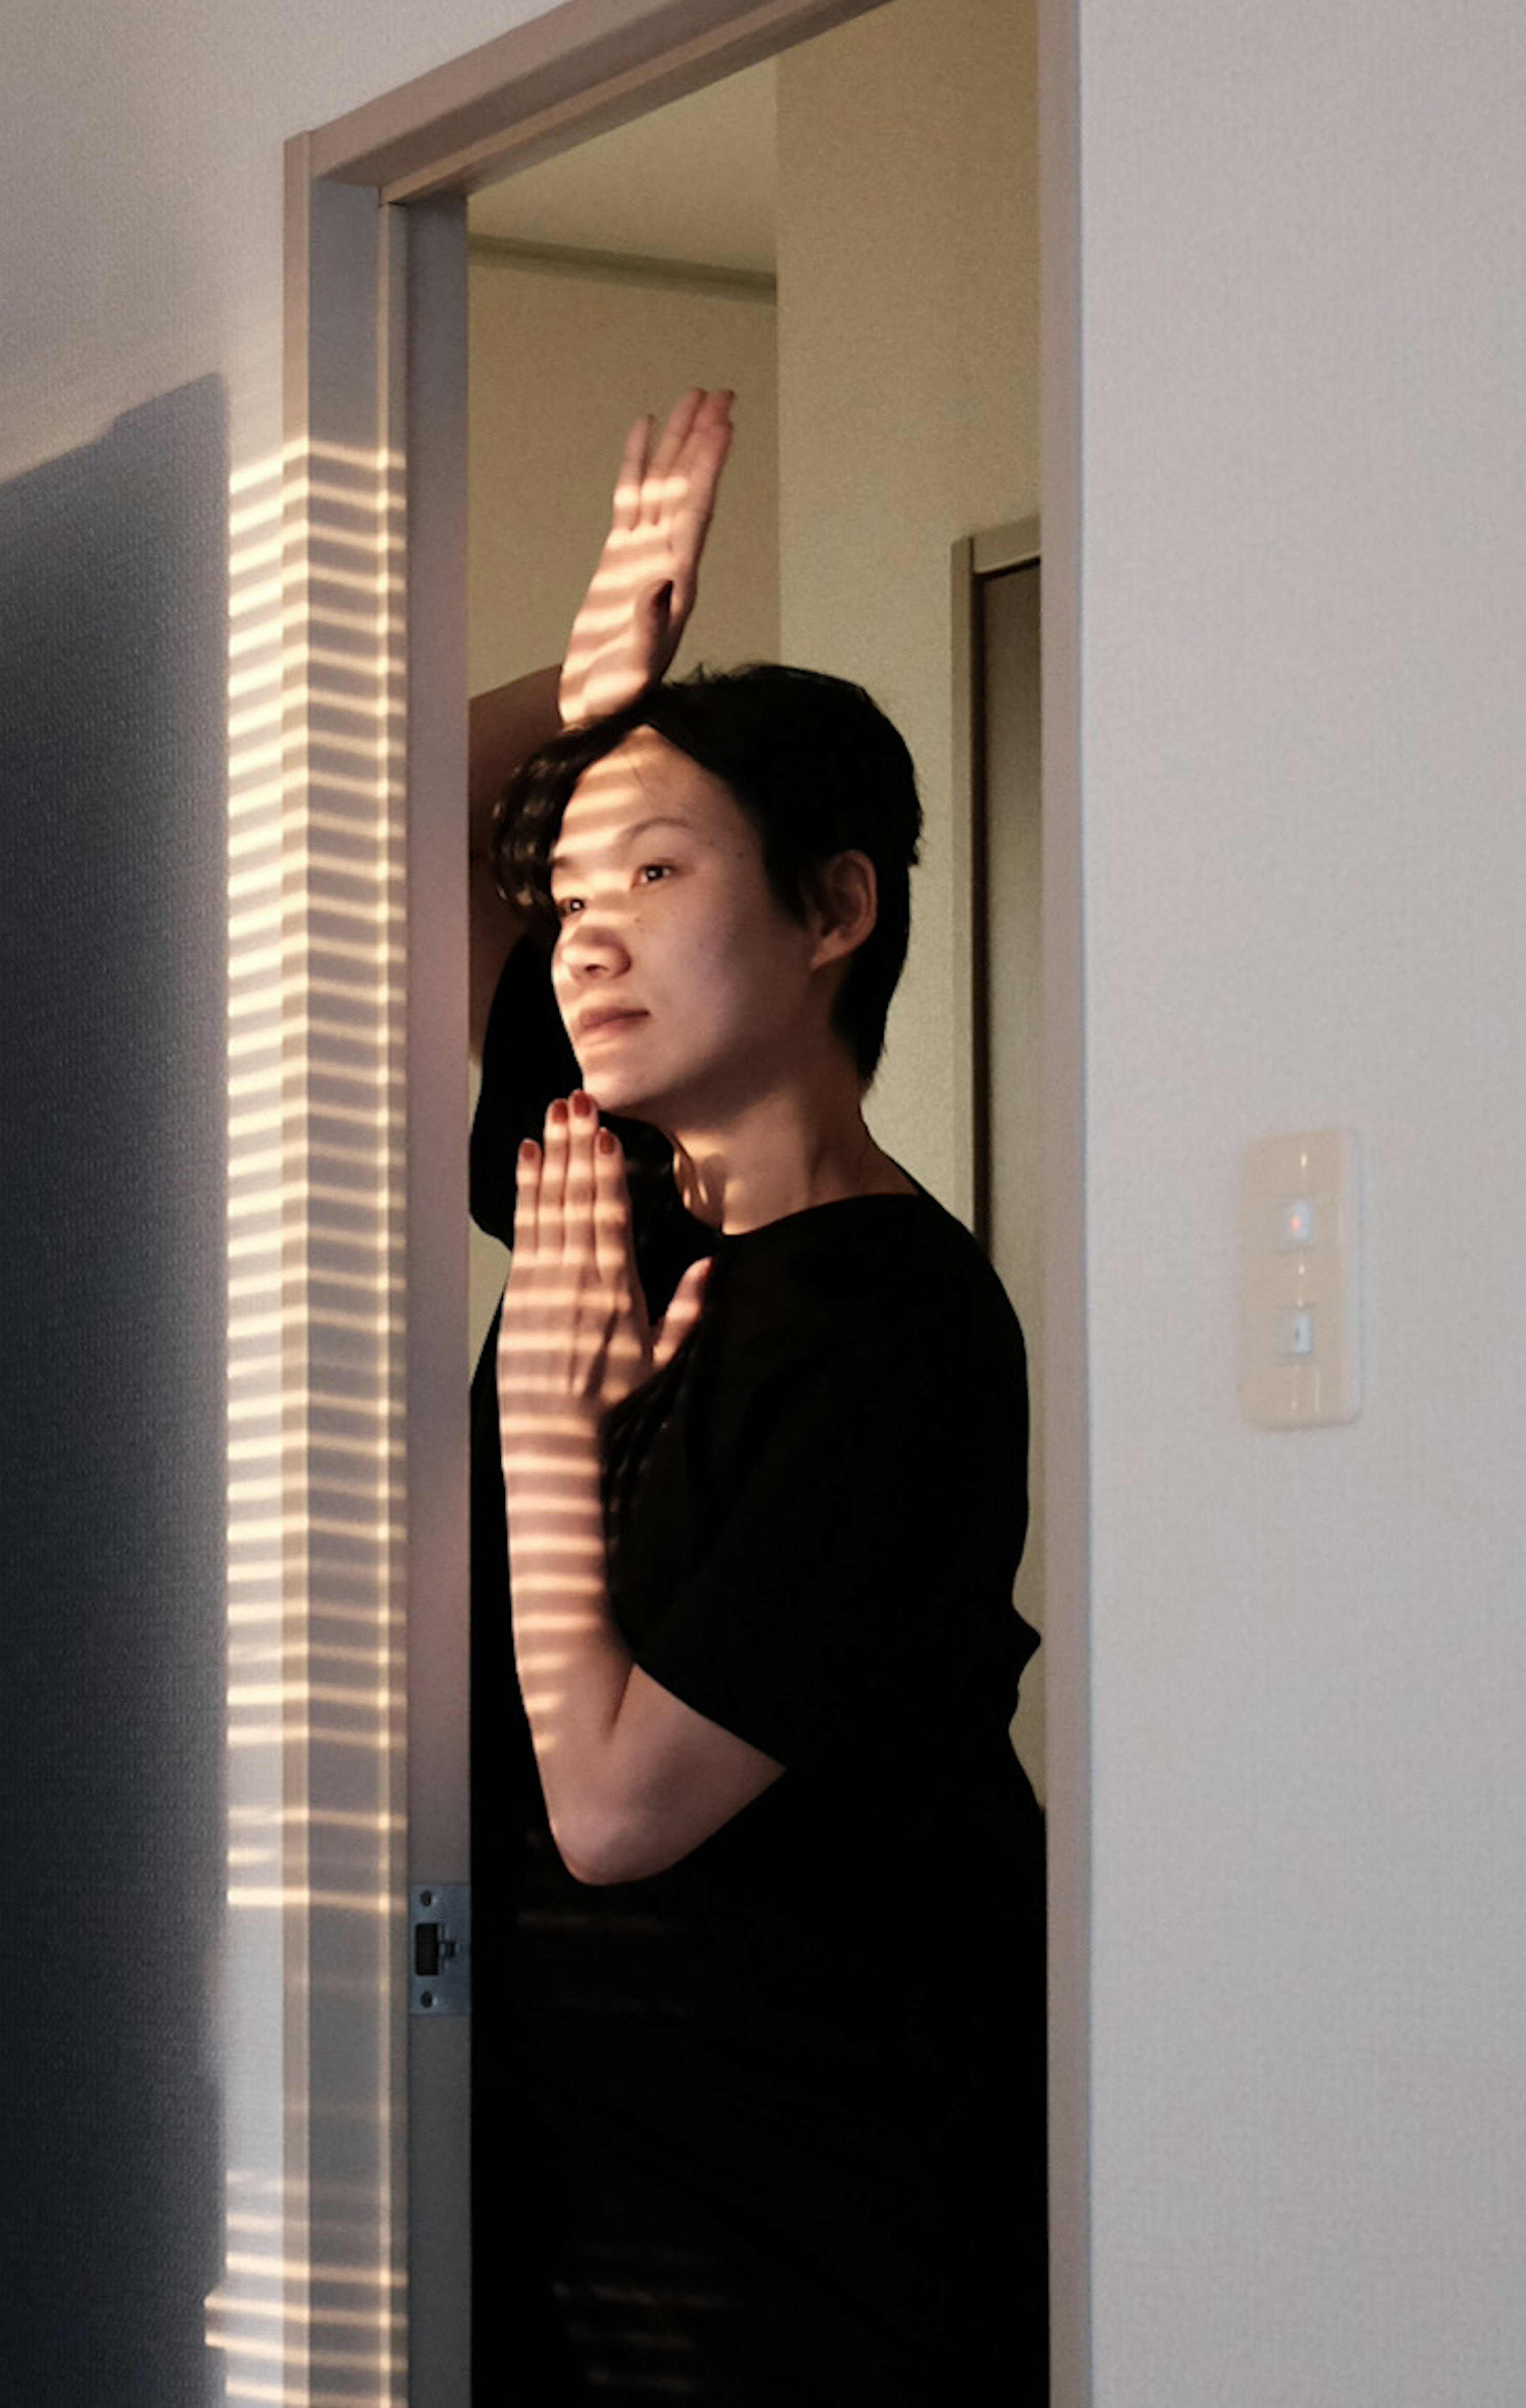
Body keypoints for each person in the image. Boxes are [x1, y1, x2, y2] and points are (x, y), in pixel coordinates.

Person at [466, 389, 1048, 2404]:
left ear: (833, 911)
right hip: (579, 2168)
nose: (585, 937)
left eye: (660, 870)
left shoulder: (897, 1332)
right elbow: (414, 846)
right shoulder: (608, 1189)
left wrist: (551, 1430)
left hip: (821, 2193)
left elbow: (619, 1804)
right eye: (574, 895)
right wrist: (610, 654)